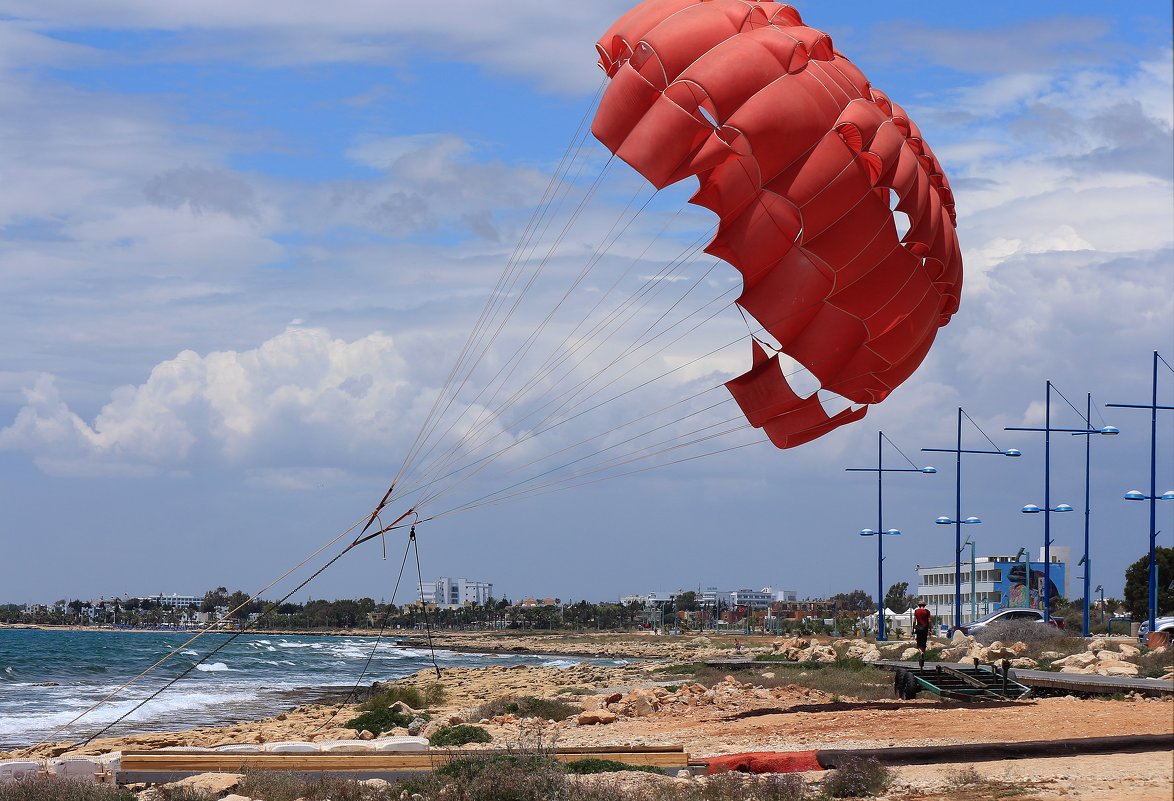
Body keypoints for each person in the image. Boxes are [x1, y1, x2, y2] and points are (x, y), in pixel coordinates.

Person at [913, 600, 932, 669]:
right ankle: (923, 652)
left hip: (918, 628)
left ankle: (920, 651)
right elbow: (929, 621)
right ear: (924, 605)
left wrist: (913, 629)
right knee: (924, 642)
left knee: (919, 642)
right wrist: (930, 629)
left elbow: (914, 621)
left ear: (918, 605)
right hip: (925, 628)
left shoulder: (916, 611)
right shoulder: (927, 611)